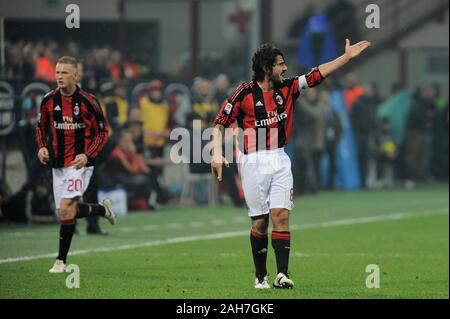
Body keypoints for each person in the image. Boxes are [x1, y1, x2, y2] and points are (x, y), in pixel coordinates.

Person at [211, 40, 370, 289]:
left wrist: (346, 57)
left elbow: (317, 74)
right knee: (260, 222)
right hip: (252, 161)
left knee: (281, 217)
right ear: (266, 68)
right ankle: (260, 276)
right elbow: (220, 121)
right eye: (280, 64)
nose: (285, 68)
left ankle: (282, 274)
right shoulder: (243, 92)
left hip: (280, 158)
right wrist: (215, 153)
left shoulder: (288, 88)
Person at [36, 56, 117, 273]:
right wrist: (42, 147)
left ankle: (60, 261)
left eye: (64, 73)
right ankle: (101, 209)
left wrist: (87, 154)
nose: (59, 77)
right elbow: (41, 129)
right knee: (65, 213)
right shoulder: (48, 100)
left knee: (65, 208)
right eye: (57, 72)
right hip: (58, 163)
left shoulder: (89, 101)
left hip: (81, 164)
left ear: (75, 75)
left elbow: (102, 131)